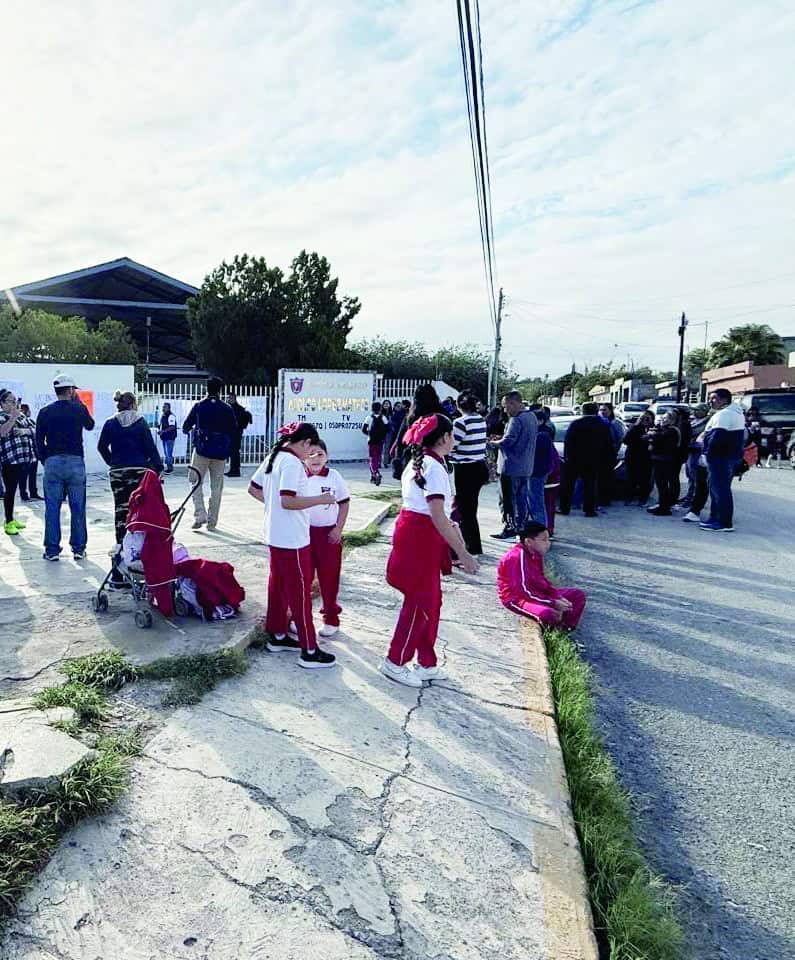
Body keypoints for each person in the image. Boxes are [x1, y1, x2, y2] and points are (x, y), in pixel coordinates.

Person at [381, 415, 478, 688]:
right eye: (453, 435)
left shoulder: (428, 462)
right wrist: (463, 552)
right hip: (419, 537)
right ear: (446, 437)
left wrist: (453, 533)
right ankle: (395, 661)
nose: (455, 440)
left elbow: (439, 514)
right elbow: (436, 516)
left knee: (431, 602)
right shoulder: (432, 468)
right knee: (419, 603)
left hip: (420, 533)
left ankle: (426, 661)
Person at [247, 422, 337, 668]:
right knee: (300, 592)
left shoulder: (274, 457)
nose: (313, 455)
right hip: (293, 538)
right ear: (305, 442)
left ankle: (276, 635)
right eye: (312, 449)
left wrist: (273, 507)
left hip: (276, 534)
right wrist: (320, 499)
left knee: (277, 585)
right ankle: (309, 649)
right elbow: (288, 501)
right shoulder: (293, 464)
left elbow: (253, 489)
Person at [35, 374, 95, 561]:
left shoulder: (45, 412)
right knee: (78, 507)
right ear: (70, 390)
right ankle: (78, 549)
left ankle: (52, 550)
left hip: (53, 462)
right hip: (75, 461)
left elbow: (38, 440)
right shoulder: (78, 409)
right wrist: (79, 403)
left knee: (52, 507)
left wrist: (45, 459)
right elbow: (90, 425)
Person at [97, 391, 163, 555]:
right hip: (138, 471)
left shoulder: (110, 423)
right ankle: (138, 544)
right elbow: (150, 448)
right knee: (138, 508)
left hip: (118, 472)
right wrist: (158, 468)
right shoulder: (140, 423)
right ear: (133, 404)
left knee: (120, 508)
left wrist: (113, 462)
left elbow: (101, 447)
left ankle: (121, 544)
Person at [497, 522, 586, 629]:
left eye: (549, 540)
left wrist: (557, 596)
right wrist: (552, 603)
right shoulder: (517, 557)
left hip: (536, 594)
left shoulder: (536, 554)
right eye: (544, 540)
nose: (548, 544)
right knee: (548, 614)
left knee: (577, 595)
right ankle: (553, 630)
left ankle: (565, 629)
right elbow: (522, 591)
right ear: (529, 541)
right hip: (517, 599)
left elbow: (542, 581)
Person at [303, 440, 350, 637]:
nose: (315, 458)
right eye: (311, 454)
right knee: (303, 578)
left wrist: (338, 529)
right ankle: (301, 618)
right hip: (303, 534)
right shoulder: (298, 477)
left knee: (328, 578)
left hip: (328, 534)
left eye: (320, 454)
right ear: (303, 456)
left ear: (327, 456)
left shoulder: (334, 476)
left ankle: (331, 617)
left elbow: (344, 503)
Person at [182, 377, 237, 530]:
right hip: (220, 453)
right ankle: (212, 522)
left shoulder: (199, 406)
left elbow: (186, 426)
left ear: (207, 389)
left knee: (195, 481)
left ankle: (200, 514)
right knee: (217, 487)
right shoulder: (227, 408)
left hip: (201, 451)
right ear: (220, 390)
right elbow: (234, 428)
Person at [490, 392, 537, 539]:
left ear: (513, 403)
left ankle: (509, 527)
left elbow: (508, 441)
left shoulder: (516, 420)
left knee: (507, 500)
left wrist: (493, 443)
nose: (505, 410)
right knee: (521, 499)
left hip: (510, 467)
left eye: (506, 406)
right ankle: (521, 526)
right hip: (526, 466)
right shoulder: (532, 417)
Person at [699, 389, 745, 532]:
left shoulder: (724, 415)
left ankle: (723, 522)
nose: (711, 401)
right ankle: (715, 517)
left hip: (719, 458)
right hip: (727, 457)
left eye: (714, 398)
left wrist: (706, 453)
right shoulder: (735, 413)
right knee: (716, 488)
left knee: (720, 489)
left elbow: (717, 438)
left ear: (724, 399)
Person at [558, 402, 613, 518]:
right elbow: (608, 444)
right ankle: (589, 509)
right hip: (593, 460)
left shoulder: (576, 424)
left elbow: (568, 441)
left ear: (583, 411)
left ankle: (564, 508)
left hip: (574, 459)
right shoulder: (602, 425)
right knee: (590, 484)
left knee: (568, 484)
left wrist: (567, 457)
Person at [450, 392, 488, 555]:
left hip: (465, 469)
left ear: (459, 405)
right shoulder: (481, 420)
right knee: (471, 509)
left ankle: (469, 547)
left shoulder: (460, 422)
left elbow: (451, 445)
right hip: (479, 466)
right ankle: (474, 545)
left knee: (465, 510)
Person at [0, 390, 37, 536]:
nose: (14, 403)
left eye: (15, 400)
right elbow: (2, 432)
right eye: (10, 400)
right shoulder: (2, 417)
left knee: (14, 490)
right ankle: (8, 522)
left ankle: (12, 519)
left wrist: (24, 431)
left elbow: (35, 429)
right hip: (10, 460)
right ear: (2, 403)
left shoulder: (22, 416)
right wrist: (12, 419)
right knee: (9, 491)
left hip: (25, 458)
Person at [646, 410, 681, 516]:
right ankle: (662, 505)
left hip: (664, 460)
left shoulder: (672, 431)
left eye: (667, 418)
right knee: (661, 484)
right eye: (663, 417)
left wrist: (652, 437)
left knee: (662, 484)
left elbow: (660, 440)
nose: (663, 420)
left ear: (673, 420)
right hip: (661, 459)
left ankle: (664, 508)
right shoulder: (666, 430)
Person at [681, 404, 710, 506]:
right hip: (690, 449)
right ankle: (690, 494)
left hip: (698, 450)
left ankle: (693, 498)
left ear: (704, 411)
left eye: (697, 410)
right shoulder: (694, 420)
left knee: (695, 475)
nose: (695, 412)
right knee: (689, 474)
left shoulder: (707, 421)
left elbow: (694, 432)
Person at [623, 410, 654, 505]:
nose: (645, 420)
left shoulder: (654, 429)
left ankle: (643, 499)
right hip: (633, 456)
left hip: (647, 458)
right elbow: (626, 440)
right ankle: (629, 498)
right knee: (631, 478)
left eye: (648, 418)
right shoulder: (635, 428)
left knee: (645, 479)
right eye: (643, 418)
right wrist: (640, 439)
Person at [597, 403, 625, 506]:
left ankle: (605, 499)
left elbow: (620, 439)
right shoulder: (599, 422)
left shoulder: (615, 423)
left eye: (605, 410)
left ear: (610, 411)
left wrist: (614, 450)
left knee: (607, 478)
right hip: (600, 454)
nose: (602, 412)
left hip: (610, 454)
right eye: (601, 410)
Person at [528, 406, 553, 526]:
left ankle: (540, 528)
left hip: (537, 472)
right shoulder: (543, 433)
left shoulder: (541, 436)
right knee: (534, 500)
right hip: (538, 471)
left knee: (536, 502)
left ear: (540, 421)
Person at [16, 403, 42, 502]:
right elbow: (17, 432)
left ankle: (33, 493)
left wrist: (26, 431)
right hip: (24, 453)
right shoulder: (17, 421)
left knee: (33, 475)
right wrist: (28, 431)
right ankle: (24, 494)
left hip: (33, 452)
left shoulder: (30, 421)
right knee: (23, 475)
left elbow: (36, 430)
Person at [226, 393, 253, 478]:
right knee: (233, 452)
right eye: (228, 398)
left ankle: (235, 471)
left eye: (230, 398)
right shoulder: (233, 408)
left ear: (234, 399)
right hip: (233, 433)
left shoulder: (237, 409)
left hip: (235, 434)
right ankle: (233, 470)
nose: (228, 400)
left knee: (234, 452)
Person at [362, 401, 388, 484]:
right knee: (377, 457)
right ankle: (374, 475)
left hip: (371, 441)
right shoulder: (383, 417)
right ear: (380, 409)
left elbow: (363, 429)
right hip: (380, 441)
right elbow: (388, 428)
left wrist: (369, 434)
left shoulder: (369, 418)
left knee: (372, 458)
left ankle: (375, 472)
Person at [158, 402, 178, 474]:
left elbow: (172, 427)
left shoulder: (171, 416)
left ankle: (170, 468)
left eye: (165, 407)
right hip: (165, 437)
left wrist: (163, 431)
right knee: (166, 453)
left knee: (168, 453)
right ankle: (169, 467)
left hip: (170, 438)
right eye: (163, 407)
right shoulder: (163, 415)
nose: (163, 408)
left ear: (169, 408)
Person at [381, 400, 394, 467]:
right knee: (380, 447)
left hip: (389, 432)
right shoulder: (380, 413)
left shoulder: (391, 413)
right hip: (381, 432)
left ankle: (385, 462)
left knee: (387, 448)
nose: (386, 405)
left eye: (387, 404)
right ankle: (378, 462)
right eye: (385, 404)